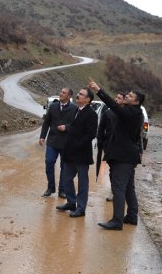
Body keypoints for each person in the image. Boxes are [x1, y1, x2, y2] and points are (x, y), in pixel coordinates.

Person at [88, 79, 145, 230]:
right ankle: (132, 216)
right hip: (127, 156)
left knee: (118, 188)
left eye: (131, 96)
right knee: (128, 188)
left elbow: (113, 105)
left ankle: (117, 220)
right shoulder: (135, 112)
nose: (127, 96)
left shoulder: (130, 113)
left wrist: (98, 90)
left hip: (122, 157)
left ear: (136, 102)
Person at [55, 88, 98, 217]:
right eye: (78, 93)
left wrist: (78, 145)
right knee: (66, 179)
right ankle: (71, 202)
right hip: (70, 153)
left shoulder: (91, 114)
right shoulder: (76, 110)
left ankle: (81, 208)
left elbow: (90, 134)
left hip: (81, 154)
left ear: (88, 99)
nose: (78, 95)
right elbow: (73, 128)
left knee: (82, 182)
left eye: (81, 94)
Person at [39, 88, 77, 198]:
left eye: (63, 93)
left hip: (66, 143)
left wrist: (66, 127)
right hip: (52, 141)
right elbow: (46, 123)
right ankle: (51, 187)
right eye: (60, 92)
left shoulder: (74, 109)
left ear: (69, 96)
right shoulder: (53, 106)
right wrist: (42, 136)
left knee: (64, 167)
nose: (60, 94)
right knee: (49, 163)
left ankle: (62, 190)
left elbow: (76, 126)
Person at [96, 92, 125, 201]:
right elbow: (101, 128)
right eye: (116, 97)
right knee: (112, 169)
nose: (116, 99)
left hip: (122, 147)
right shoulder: (107, 113)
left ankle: (120, 191)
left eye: (119, 98)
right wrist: (99, 141)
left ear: (124, 101)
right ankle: (113, 191)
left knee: (121, 170)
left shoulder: (126, 114)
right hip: (109, 145)